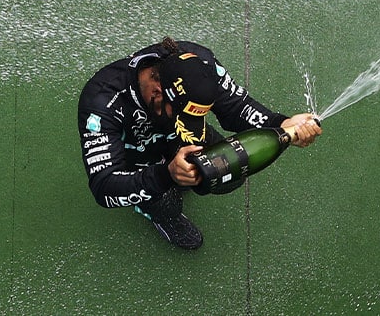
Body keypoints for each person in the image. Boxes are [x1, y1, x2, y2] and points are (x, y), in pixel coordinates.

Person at [78, 37, 322, 250]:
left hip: (174, 145)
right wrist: (165, 175)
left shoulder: (200, 64)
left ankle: (178, 179)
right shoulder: (101, 101)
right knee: (167, 203)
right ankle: (161, 214)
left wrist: (281, 123)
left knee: (229, 174)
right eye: (183, 116)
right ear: (156, 92)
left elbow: (235, 106)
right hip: (141, 163)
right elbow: (104, 187)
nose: (186, 124)